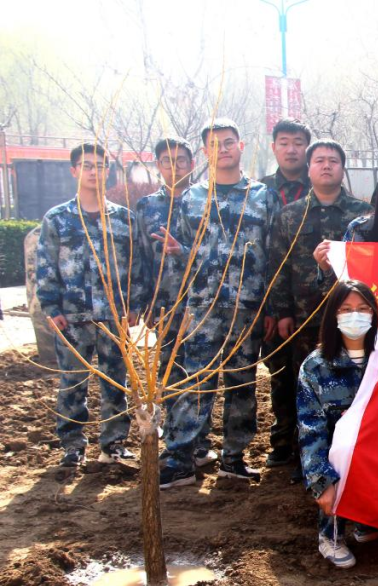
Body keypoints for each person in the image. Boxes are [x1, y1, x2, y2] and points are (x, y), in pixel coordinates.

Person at [159, 119, 281, 488]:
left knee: (241, 384)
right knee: (196, 383)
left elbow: (275, 253)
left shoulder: (262, 196)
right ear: (205, 152)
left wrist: (272, 306)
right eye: (214, 144)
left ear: (241, 146)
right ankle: (180, 458)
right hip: (202, 308)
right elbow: (180, 253)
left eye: (229, 142)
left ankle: (234, 458)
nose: (223, 149)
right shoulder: (191, 199)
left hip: (247, 307)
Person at [265, 140, 374, 473]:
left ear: (343, 168)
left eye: (333, 161)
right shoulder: (289, 215)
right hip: (305, 318)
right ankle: (306, 459)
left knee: (348, 389)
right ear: (309, 169)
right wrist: (282, 311)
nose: (326, 166)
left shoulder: (362, 215)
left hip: (353, 319)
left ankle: (352, 456)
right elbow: (278, 267)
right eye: (320, 160)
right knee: (304, 387)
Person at [37, 143, 144, 467]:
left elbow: (136, 265)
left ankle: (113, 444)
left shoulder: (124, 219)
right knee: (72, 382)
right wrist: (51, 309)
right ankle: (72, 446)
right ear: (74, 171)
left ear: (107, 171)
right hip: (73, 318)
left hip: (114, 317)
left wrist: (134, 305)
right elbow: (45, 266)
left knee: (116, 381)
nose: (93, 171)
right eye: (86, 165)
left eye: (99, 165)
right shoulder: (57, 219)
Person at [136, 137, 215, 468]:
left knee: (202, 374)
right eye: (167, 161)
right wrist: (145, 304)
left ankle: (201, 441)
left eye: (181, 161)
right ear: (158, 166)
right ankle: (176, 438)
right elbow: (139, 259)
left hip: (203, 304)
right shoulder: (146, 207)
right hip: (165, 305)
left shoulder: (205, 201)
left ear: (191, 164)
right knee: (170, 372)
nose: (175, 167)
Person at [297, 280, 378, 569]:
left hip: (375, 462)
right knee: (340, 449)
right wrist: (321, 485)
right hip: (337, 465)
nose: (355, 315)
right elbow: (311, 434)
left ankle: (366, 519)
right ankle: (331, 534)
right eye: (346, 309)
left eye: (362, 308)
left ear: (374, 314)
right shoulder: (315, 367)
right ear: (334, 315)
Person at [260, 118, 312, 205]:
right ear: (274, 148)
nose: (291, 150)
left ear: (309, 149)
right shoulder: (261, 188)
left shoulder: (321, 186)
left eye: (298, 144)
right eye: (284, 144)